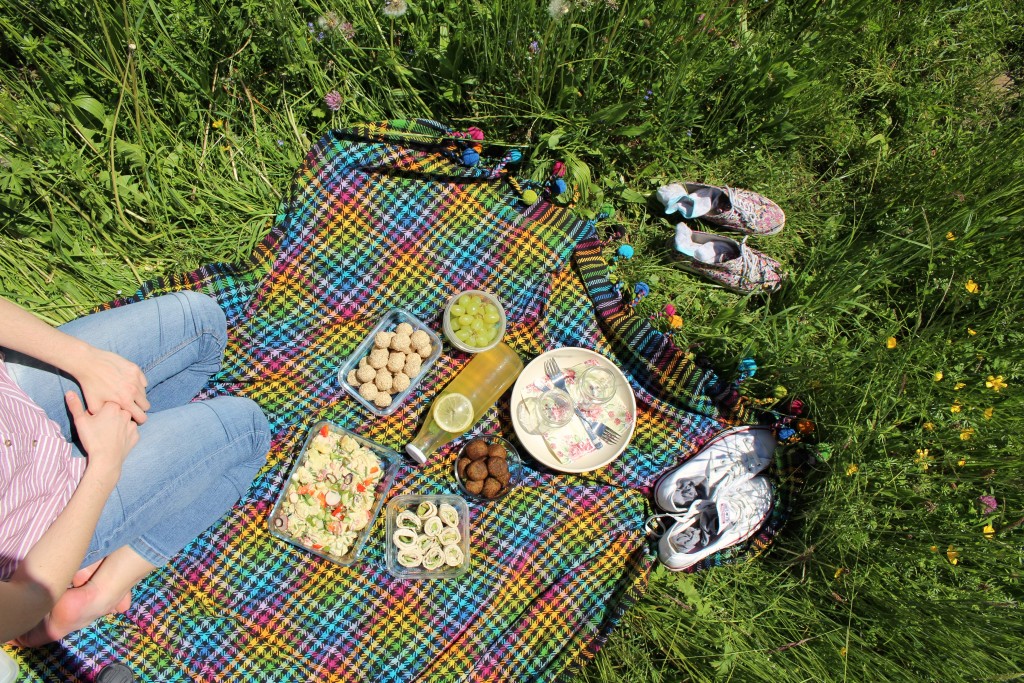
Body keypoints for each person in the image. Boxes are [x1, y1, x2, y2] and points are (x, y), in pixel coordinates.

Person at [0, 291, 270, 646]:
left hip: (15, 397)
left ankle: (136, 471)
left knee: (203, 325)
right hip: (44, 520)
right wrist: (105, 467)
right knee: (249, 431)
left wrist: (82, 359)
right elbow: (25, 600)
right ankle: (101, 590)